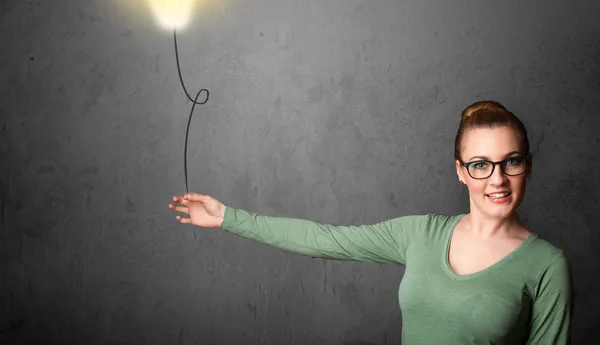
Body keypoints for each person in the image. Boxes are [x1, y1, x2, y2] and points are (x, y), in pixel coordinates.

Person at [168, 100, 573, 344]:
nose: (498, 179)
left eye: (511, 162)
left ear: (527, 165)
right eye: (481, 165)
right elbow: (325, 239)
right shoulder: (419, 234)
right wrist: (228, 218)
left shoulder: (545, 265)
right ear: (460, 171)